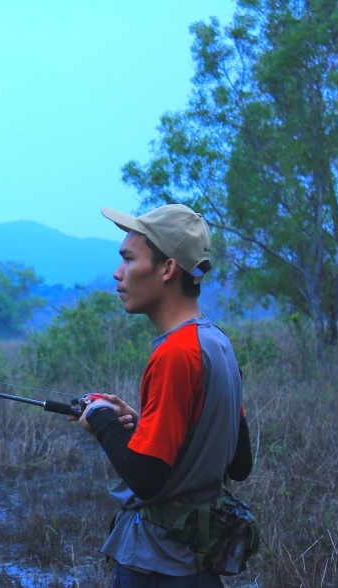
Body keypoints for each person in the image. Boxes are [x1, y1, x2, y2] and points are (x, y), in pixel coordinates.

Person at [73, 203, 253, 588]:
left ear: (168, 269)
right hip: (199, 567)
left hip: (158, 569)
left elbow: (147, 478)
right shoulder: (216, 343)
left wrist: (103, 418)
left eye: (127, 259)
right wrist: (142, 424)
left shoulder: (175, 353)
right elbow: (238, 461)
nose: (117, 273)